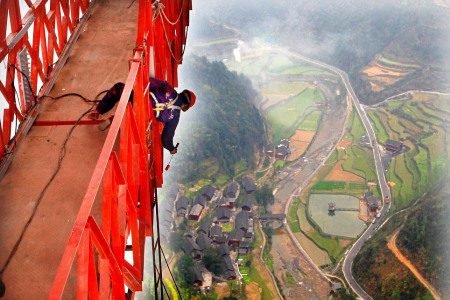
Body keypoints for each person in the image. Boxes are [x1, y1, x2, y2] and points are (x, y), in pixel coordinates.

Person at [88, 79, 196, 154]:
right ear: (185, 106)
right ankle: (117, 118)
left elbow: (147, 81)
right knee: (139, 123)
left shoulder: (167, 88)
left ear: (182, 93)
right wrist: (171, 148)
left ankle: (98, 111)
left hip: (137, 101)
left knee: (119, 88)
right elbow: (166, 138)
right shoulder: (175, 117)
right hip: (141, 121)